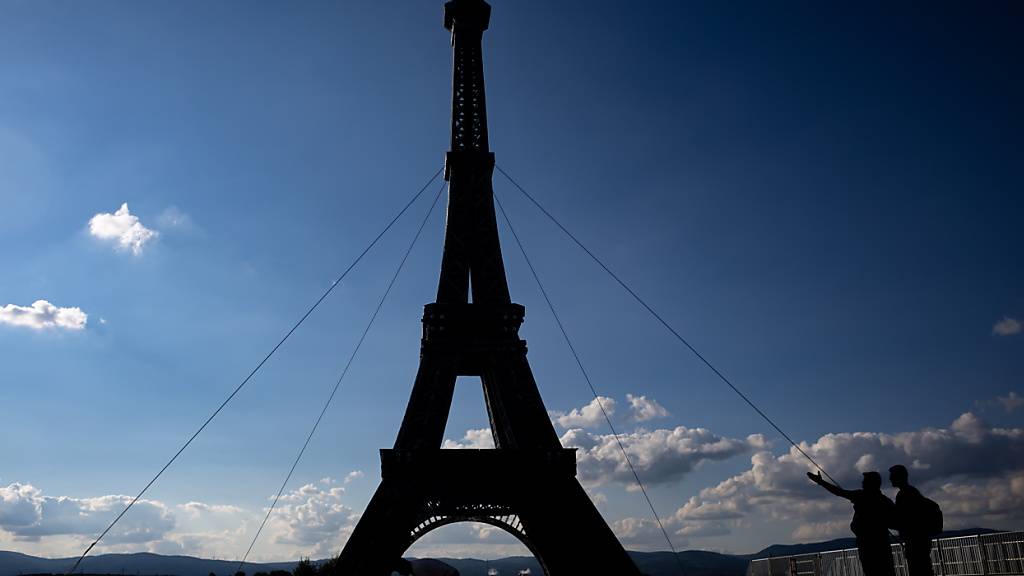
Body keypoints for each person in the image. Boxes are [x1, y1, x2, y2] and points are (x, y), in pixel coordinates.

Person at [807, 470, 895, 576]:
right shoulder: (885, 501)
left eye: (865, 481)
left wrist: (821, 482)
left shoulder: (861, 496)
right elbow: (894, 523)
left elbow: (839, 492)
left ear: (871, 483)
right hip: (882, 545)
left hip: (867, 545)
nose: (862, 483)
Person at [889, 464, 941, 576]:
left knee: (919, 569)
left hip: (914, 540)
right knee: (923, 568)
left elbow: (903, 519)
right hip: (920, 539)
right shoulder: (912, 492)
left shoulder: (904, 494)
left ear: (899, 477)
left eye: (892, 476)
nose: (890, 479)